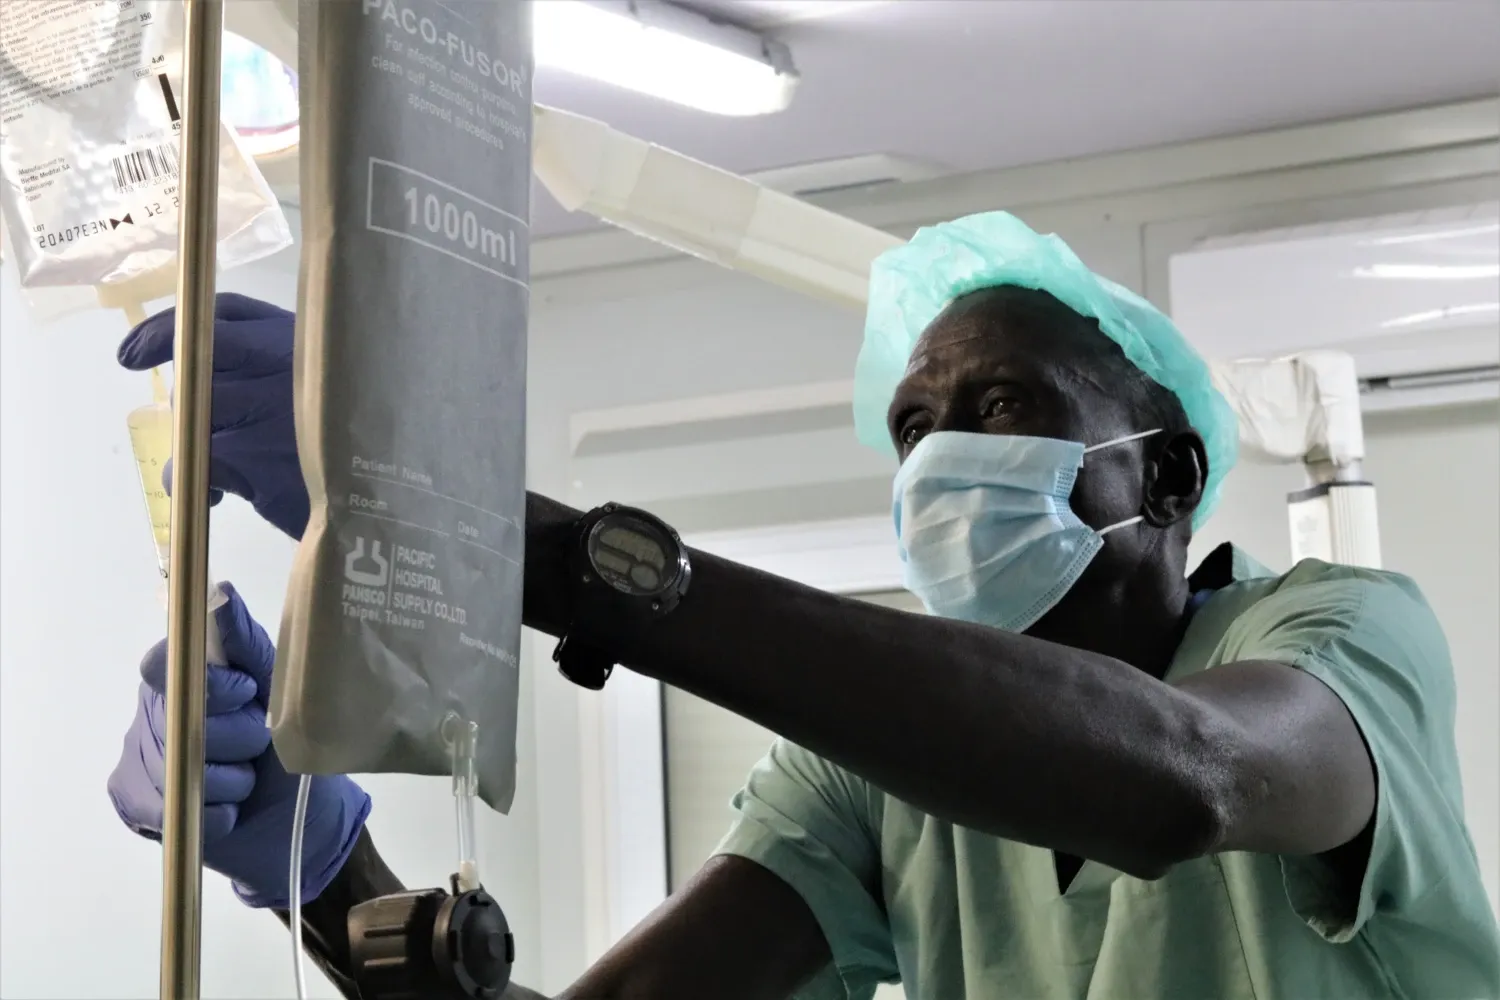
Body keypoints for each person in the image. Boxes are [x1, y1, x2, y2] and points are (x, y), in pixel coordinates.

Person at [108, 213, 1499, 1000]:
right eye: (914, 428)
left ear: (1172, 472)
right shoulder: (873, 786)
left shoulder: (1343, 637)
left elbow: (1177, 782)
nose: (944, 456)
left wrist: (486, 538)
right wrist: (321, 872)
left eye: (1002, 406)